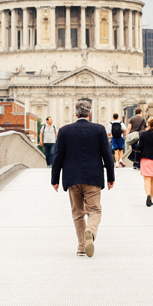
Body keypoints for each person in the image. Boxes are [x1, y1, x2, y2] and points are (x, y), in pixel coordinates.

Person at [51, 100, 115, 257]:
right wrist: (111, 177)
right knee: (95, 210)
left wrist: (55, 179)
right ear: (90, 114)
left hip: (72, 177)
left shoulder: (64, 131)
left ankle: (81, 246)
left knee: (78, 213)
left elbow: (58, 156)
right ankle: (90, 231)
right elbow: (107, 155)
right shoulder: (99, 130)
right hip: (93, 177)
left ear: (75, 113)